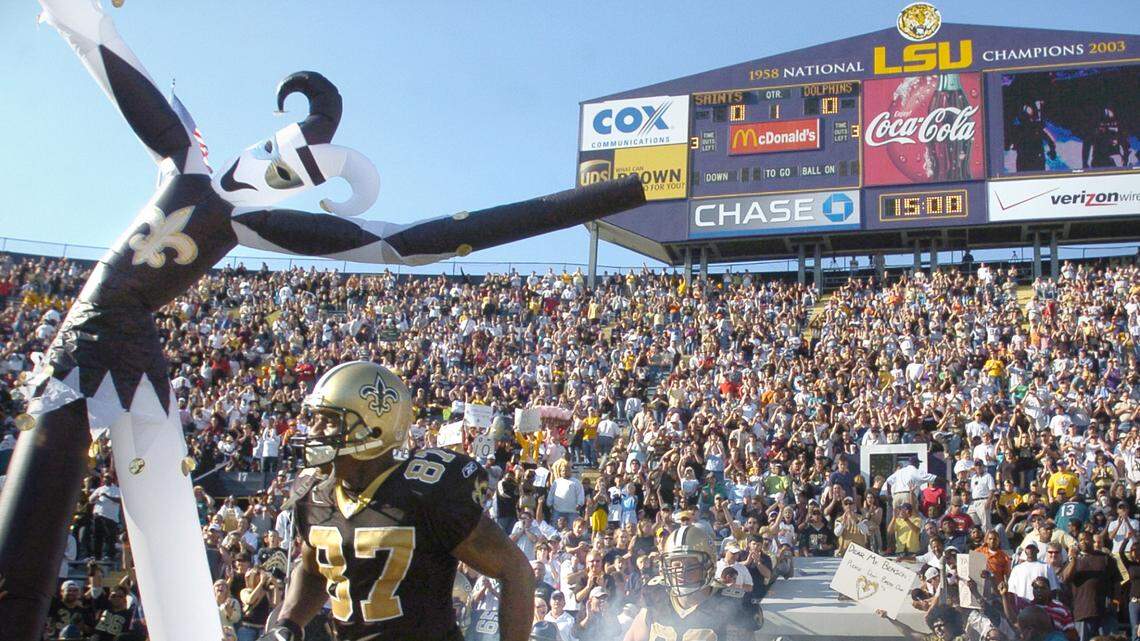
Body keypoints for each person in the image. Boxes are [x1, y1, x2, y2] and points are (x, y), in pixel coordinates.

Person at [261, 362, 535, 641]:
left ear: (375, 426)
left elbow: (515, 570)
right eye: (315, 418)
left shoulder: (428, 492)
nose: (315, 430)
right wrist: (289, 622)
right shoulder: (315, 493)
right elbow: (312, 571)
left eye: (330, 420)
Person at [622, 526, 763, 641]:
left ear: (709, 565)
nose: (681, 571)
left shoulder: (732, 605)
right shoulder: (655, 599)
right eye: (675, 563)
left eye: (690, 563)